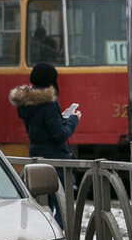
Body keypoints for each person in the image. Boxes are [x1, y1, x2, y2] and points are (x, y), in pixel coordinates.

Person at [9, 62, 81, 227]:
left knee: (42, 206)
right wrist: (73, 120)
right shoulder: (48, 103)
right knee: (62, 208)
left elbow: (41, 126)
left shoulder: (26, 102)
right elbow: (59, 135)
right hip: (55, 160)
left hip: (36, 156)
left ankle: (43, 236)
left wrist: (59, 118)